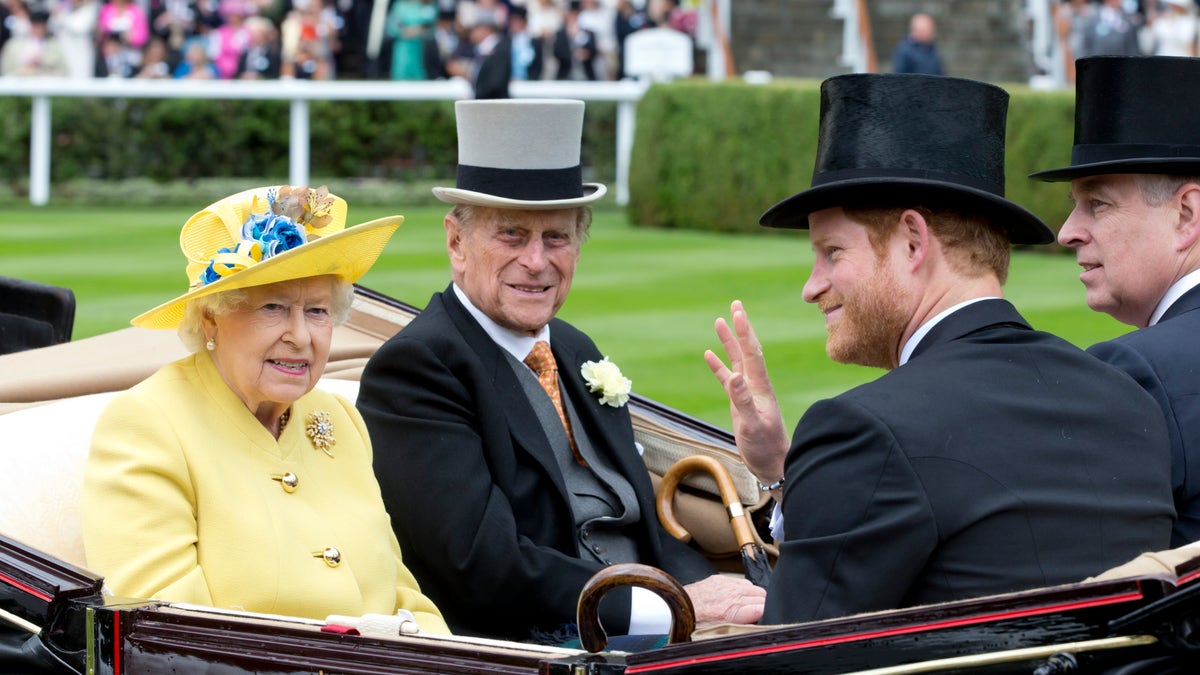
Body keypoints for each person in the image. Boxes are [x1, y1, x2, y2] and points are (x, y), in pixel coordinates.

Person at [705, 73, 1175, 625]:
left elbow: (793, 653)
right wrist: (782, 473)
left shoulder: (863, 429)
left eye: (832, 252)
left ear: (912, 241)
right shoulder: (1129, 404)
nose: (812, 285)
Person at [357, 99, 765, 642]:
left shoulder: (573, 348)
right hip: (535, 644)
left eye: (557, 237)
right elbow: (481, 564)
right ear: (457, 242)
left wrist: (716, 592)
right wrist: (666, 606)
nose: (537, 260)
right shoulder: (418, 368)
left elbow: (642, 520)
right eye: (512, 235)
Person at [81, 185, 448, 633]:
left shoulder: (340, 418)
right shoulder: (146, 426)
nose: (301, 336)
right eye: (273, 308)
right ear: (211, 317)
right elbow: (166, 633)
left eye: (316, 311)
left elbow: (404, 596)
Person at [1030, 55, 1200, 548]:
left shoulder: (1136, 369)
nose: (1067, 233)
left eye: (1097, 203)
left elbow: (1079, 573)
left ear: (1187, 215)